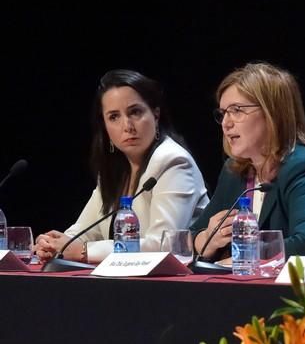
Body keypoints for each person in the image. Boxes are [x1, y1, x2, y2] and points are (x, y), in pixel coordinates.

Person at [34, 69, 209, 263]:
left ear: (156, 114)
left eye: (135, 112)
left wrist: (83, 252)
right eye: (114, 117)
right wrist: (56, 244)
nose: (127, 126)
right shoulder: (116, 170)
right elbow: (84, 230)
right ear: (105, 126)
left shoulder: (174, 162)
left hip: (177, 285)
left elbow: (164, 244)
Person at [190, 62, 305, 259]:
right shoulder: (234, 171)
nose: (226, 123)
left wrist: (239, 256)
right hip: (254, 287)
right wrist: (208, 239)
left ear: (271, 113)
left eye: (237, 110)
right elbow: (193, 235)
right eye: (223, 113)